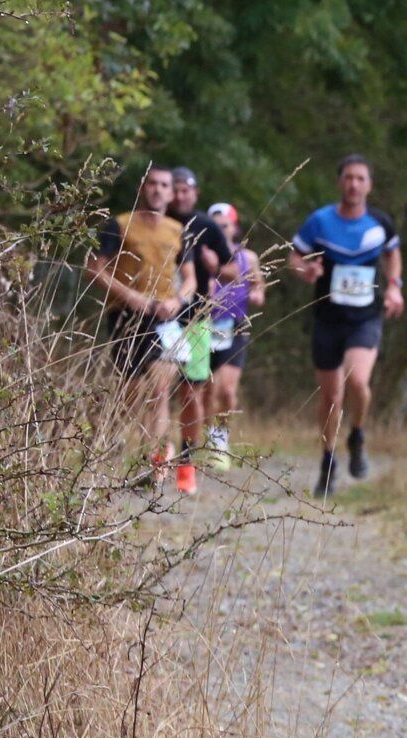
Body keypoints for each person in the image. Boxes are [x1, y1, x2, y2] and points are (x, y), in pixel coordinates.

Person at [290, 154, 403, 497]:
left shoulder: (379, 223)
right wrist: (306, 270)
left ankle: (357, 433)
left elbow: (393, 253)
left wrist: (395, 286)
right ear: (339, 182)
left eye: (360, 178)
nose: (354, 184)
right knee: (330, 396)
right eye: (348, 178)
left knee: (357, 381)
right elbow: (294, 256)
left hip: (365, 317)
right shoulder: (320, 221)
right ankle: (328, 461)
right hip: (327, 318)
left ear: (369, 185)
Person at [85, 164, 195, 483]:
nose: (158, 190)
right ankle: (104, 430)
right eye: (152, 184)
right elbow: (94, 269)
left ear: (171, 194)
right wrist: (130, 296)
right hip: (126, 315)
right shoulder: (119, 225)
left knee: (160, 389)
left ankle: (155, 463)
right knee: (132, 392)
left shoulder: (178, 230)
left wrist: (179, 300)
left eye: (164, 185)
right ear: (141, 189)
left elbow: (190, 278)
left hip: (165, 317)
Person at [167, 167, 236, 494]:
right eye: (175, 189)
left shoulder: (207, 226)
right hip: (155, 317)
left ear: (195, 193)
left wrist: (214, 266)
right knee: (153, 391)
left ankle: (186, 458)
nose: (180, 196)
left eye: (186, 190)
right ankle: (157, 452)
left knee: (190, 392)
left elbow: (234, 271)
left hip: (196, 317)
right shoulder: (156, 220)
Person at [205, 202, 265, 465]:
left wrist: (257, 293)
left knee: (227, 390)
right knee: (208, 390)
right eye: (215, 226)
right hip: (205, 325)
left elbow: (258, 284)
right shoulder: (202, 254)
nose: (220, 230)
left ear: (234, 228)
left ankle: (220, 439)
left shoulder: (247, 257)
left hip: (235, 325)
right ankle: (207, 436)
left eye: (225, 225)